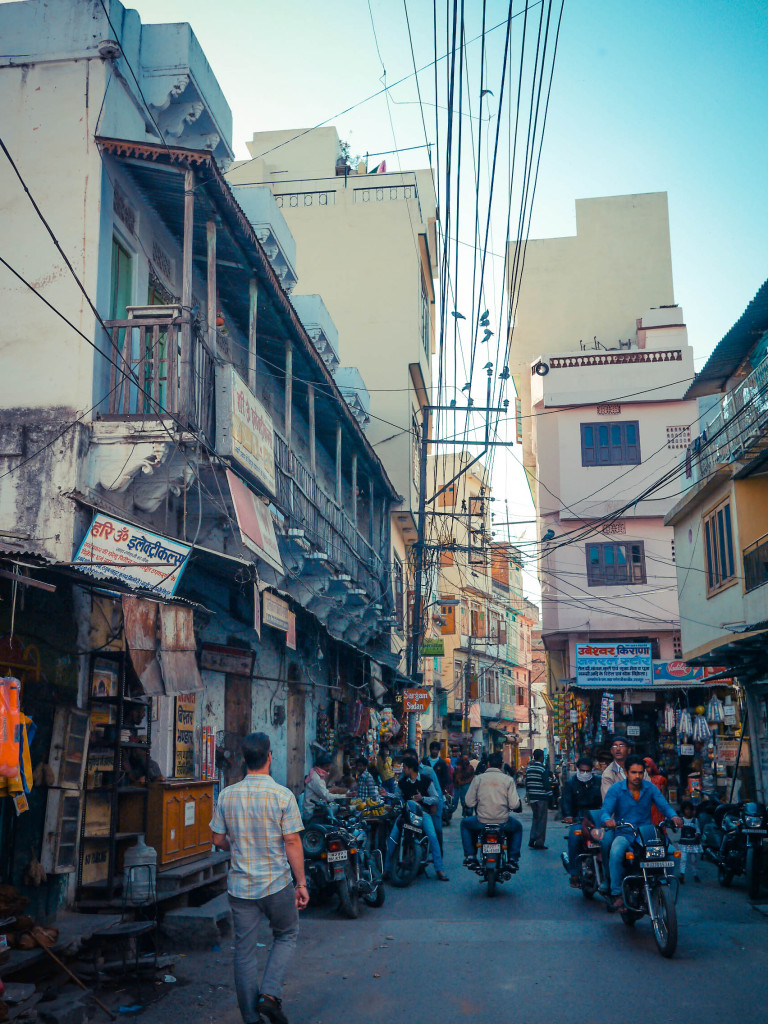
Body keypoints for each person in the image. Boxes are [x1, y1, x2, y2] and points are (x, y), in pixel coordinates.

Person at [210, 732, 308, 1024]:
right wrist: (301, 884)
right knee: (287, 934)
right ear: (269, 757)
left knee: (244, 953)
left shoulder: (227, 794)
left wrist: (236, 845)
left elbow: (217, 839)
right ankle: (269, 994)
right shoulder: (282, 795)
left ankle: (252, 1019)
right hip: (276, 884)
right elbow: (292, 842)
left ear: (244, 760)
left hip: (241, 889)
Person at [600, 755, 682, 912]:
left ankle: (664, 888)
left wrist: (674, 816)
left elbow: (664, 806)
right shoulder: (616, 789)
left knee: (672, 853)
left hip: (646, 833)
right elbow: (606, 810)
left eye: (640, 772)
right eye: (633, 772)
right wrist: (607, 820)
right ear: (626, 772)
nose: (637, 776)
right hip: (625, 832)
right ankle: (616, 893)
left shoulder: (650, 788)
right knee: (616, 852)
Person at [385, 755, 449, 881]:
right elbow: (397, 796)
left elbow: (436, 797)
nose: (403, 770)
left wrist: (422, 799)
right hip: (406, 814)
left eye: (404, 767)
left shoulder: (426, 780)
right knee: (392, 838)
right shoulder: (403, 782)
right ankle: (387, 870)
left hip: (423, 814)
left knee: (432, 836)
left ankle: (439, 869)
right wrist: (386, 794)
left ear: (410, 769)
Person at [461, 751, 523, 870]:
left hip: (481, 821)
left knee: (465, 824)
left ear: (487, 764)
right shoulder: (508, 780)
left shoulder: (478, 779)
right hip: (503, 822)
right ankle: (513, 859)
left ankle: (470, 856)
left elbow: (469, 802)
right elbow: (515, 805)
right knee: (517, 827)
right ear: (501, 765)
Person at [561, 755, 603, 888]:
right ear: (578, 769)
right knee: (574, 837)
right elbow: (566, 801)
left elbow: (606, 800)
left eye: (587, 771)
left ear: (592, 770)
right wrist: (568, 815)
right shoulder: (570, 783)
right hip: (579, 818)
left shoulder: (599, 781)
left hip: (596, 818)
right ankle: (574, 873)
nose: (585, 774)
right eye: (582, 771)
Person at [302, 753, 346, 821]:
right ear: (319, 766)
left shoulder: (317, 774)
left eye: (329, 766)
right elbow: (326, 796)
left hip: (315, 808)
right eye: (326, 766)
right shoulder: (316, 778)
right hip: (311, 812)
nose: (328, 768)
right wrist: (344, 796)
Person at [525, 749, 552, 850]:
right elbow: (546, 784)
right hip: (541, 797)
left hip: (532, 798)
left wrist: (529, 796)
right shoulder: (542, 769)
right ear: (541, 757)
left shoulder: (529, 769)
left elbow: (527, 783)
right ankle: (539, 842)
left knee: (535, 818)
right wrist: (550, 796)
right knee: (542, 820)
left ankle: (532, 837)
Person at [677, 801, 703, 883]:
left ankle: (695, 874)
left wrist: (697, 834)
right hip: (684, 843)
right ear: (683, 810)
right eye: (686, 809)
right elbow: (676, 830)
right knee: (683, 859)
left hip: (693, 843)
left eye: (689, 809)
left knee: (693, 860)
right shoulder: (681, 820)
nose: (688, 811)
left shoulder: (695, 820)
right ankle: (682, 874)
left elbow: (698, 830)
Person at [643, 757, 669, 826]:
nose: (646, 769)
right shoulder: (640, 781)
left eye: (648, 767)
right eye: (644, 767)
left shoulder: (661, 779)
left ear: (652, 767)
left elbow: (663, 798)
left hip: (657, 810)